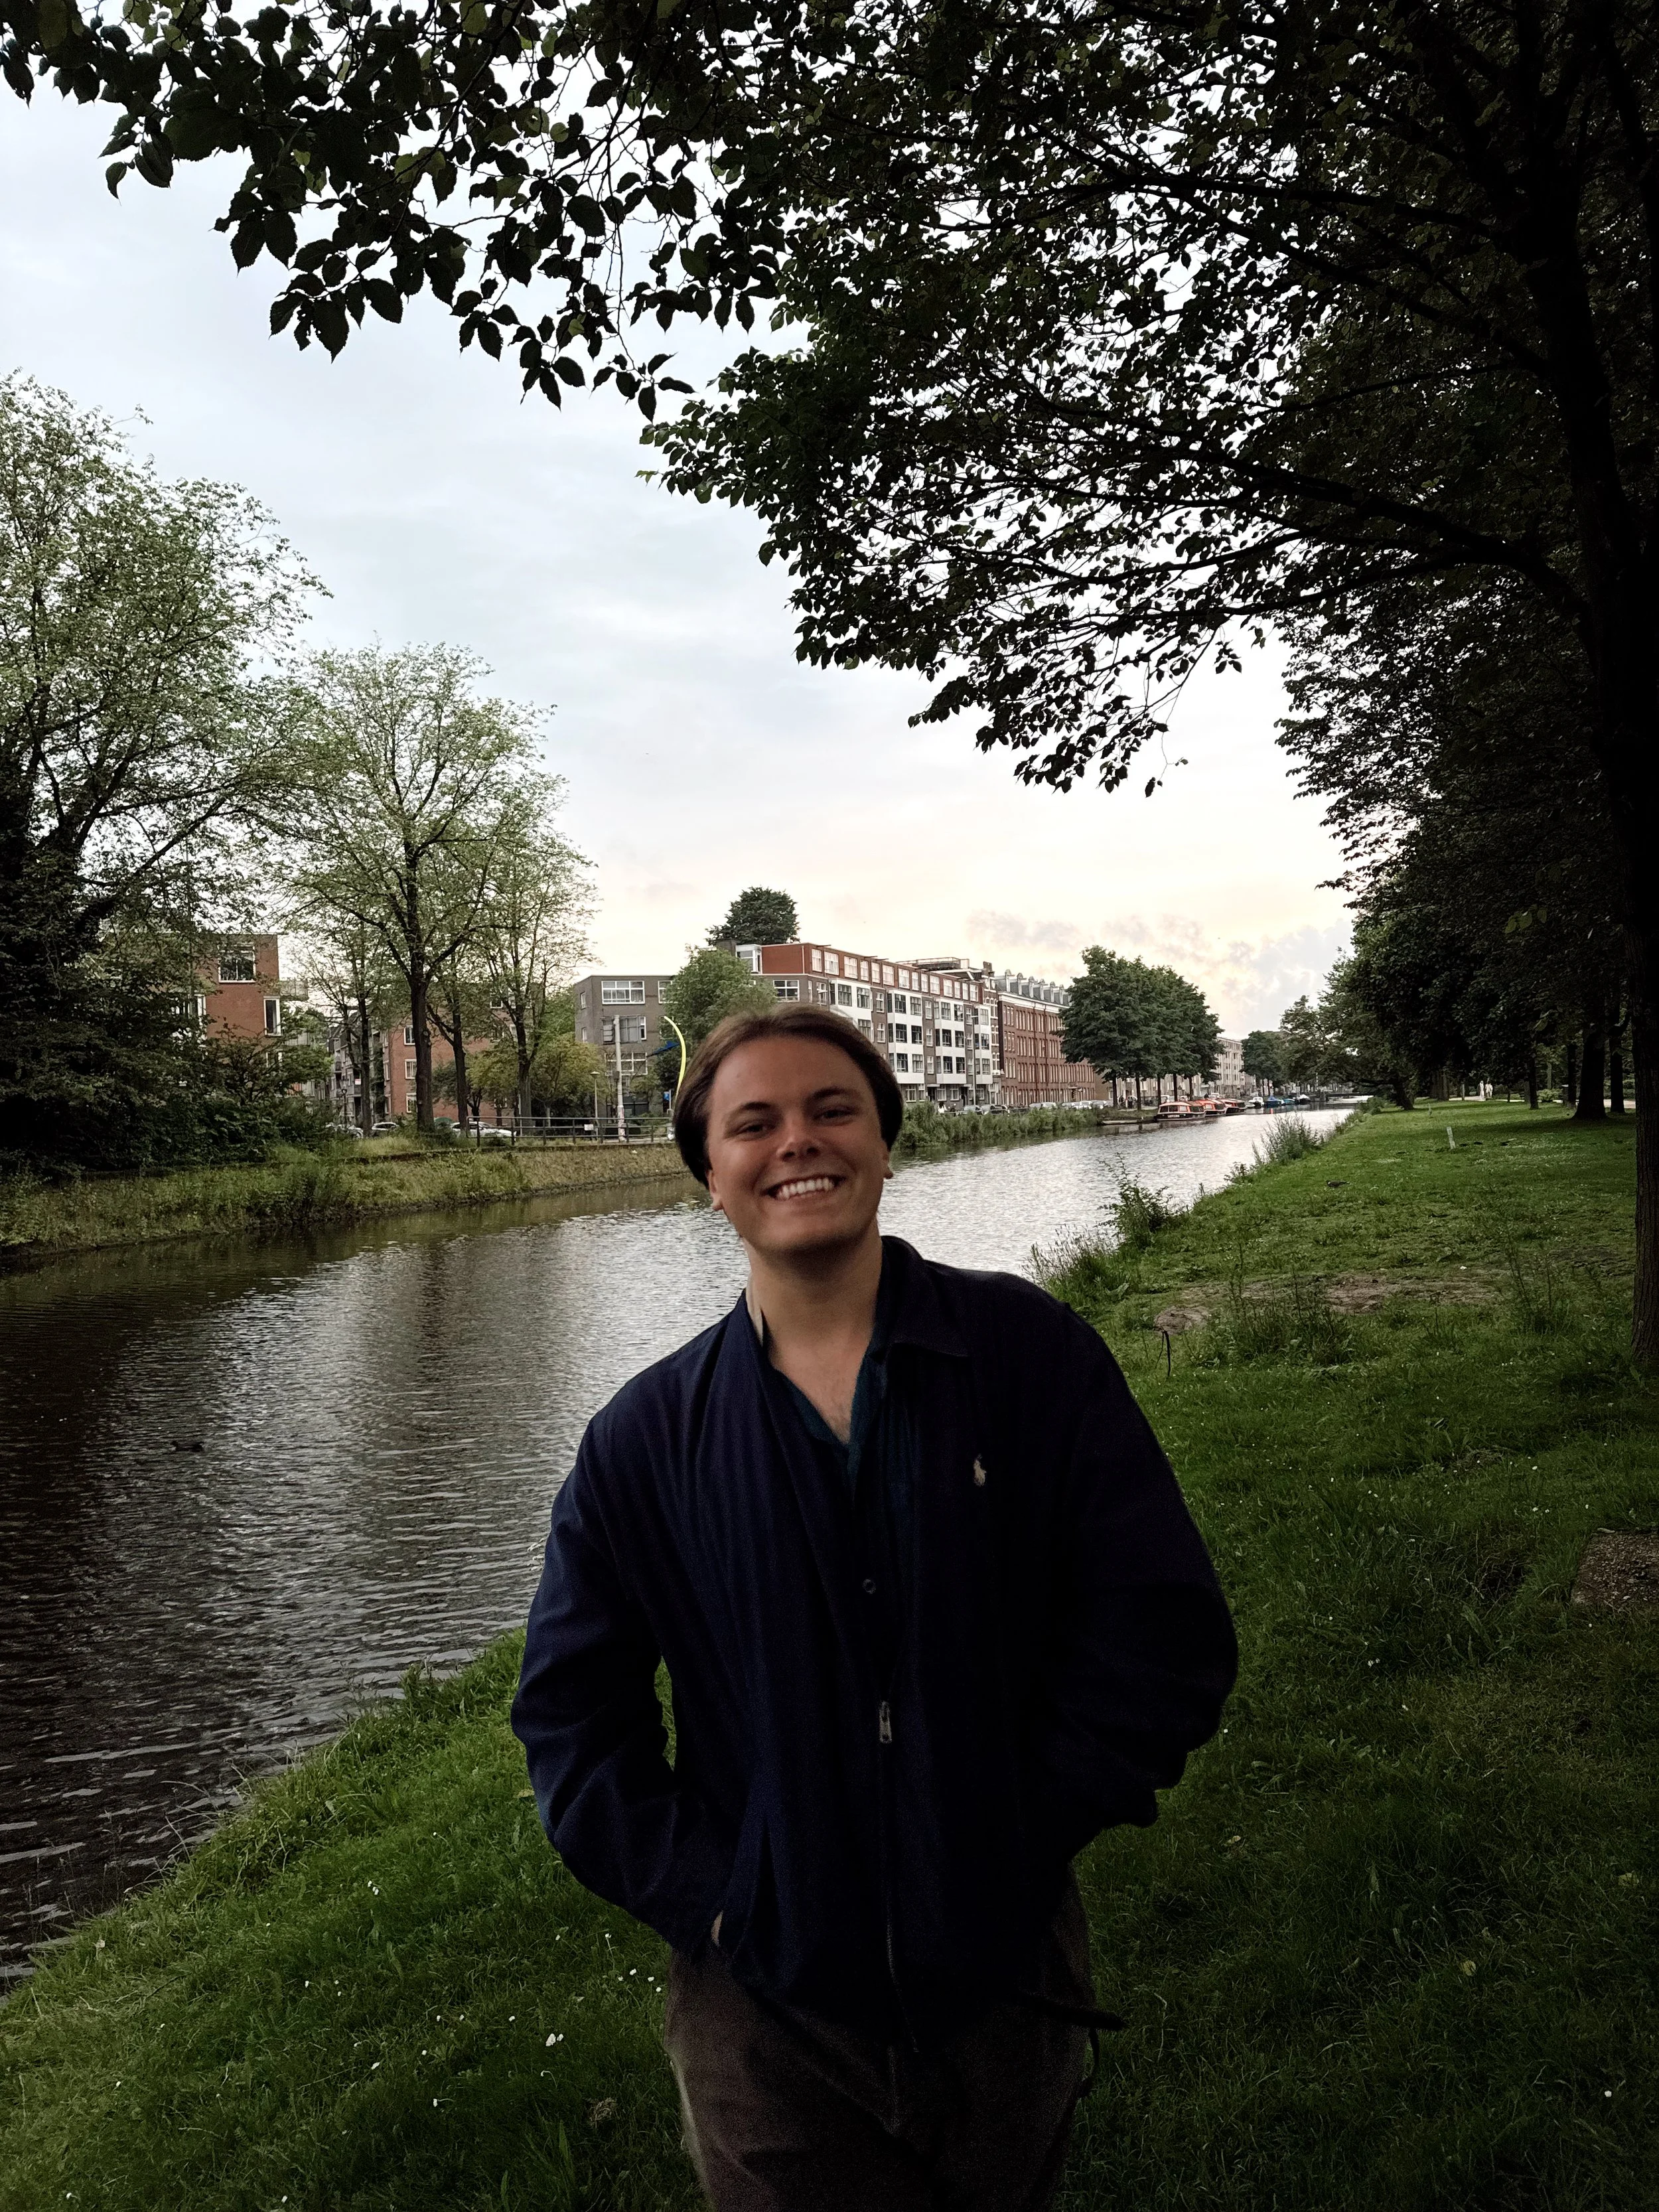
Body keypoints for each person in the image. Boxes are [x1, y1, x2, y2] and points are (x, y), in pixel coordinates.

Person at [512, 1004, 1237, 2210]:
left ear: (886, 1145)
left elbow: (1160, 1628)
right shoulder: (644, 1441)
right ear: (711, 1179)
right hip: (767, 2024)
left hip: (1006, 1983)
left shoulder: (1027, 1356)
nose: (798, 1141)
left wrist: (1025, 1830)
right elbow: (572, 1725)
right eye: (754, 1123)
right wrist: (722, 1903)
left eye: (832, 1109)